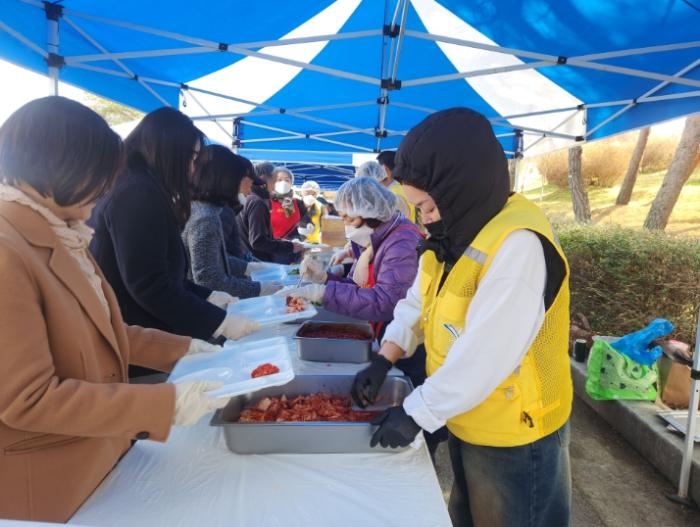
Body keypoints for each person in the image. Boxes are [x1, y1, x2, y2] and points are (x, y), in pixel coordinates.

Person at [0, 97, 230, 522]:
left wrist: (184, 348)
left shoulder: (62, 231)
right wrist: (164, 404)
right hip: (51, 483)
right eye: (100, 175)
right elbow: (28, 399)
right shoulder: (7, 249)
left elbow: (103, 330)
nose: (107, 189)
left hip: (101, 457)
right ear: (59, 166)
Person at [351, 108, 572, 527]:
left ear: (460, 190)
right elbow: (418, 302)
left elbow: (486, 354)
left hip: (515, 433)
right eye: (417, 207)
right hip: (465, 412)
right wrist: (385, 356)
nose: (423, 218)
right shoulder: (456, 232)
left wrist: (417, 412)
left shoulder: (518, 244)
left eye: (428, 206)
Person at [90, 107, 257, 376]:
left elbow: (166, 272)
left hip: (149, 338)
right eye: (192, 158)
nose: (192, 168)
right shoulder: (137, 192)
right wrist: (218, 322)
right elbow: (149, 284)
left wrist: (208, 296)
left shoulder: (142, 186)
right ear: (171, 153)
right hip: (141, 348)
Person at [285, 177, 448, 451]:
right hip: (389, 337)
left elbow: (386, 301)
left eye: (349, 218)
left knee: (415, 434)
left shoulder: (402, 243)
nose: (345, 224)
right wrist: (326, 279)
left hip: (410, 346)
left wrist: (323, 293)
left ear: (370, 213)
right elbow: (362, 288)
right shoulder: (376, 238)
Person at [182, 145, 283, 298]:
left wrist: (249, 267)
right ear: (225, 179)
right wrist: (258, 288)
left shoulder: (203, 209)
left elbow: (216, 258)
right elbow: (208, 280)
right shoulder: (206, 217)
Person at [236, 162, 303, 263]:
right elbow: (258, 242)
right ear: (263, 179)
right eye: (275, 180)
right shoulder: (257, 202)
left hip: (248, 261)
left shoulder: (248, 199)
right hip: (258, 263)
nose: (275, 186)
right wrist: (289, 246)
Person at [378, 151, 419, 224]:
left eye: (378, 168)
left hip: (404, 230)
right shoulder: (405, 186)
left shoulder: (392, 194)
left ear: (385, 169)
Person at [270, 166, 307, 241]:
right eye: (279, 180)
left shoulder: (298, 203)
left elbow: (305, 224)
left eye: (287, 180)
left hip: (293, 245)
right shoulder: (265, 201)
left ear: (291, 183)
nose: (283, 183)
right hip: (269, 245)